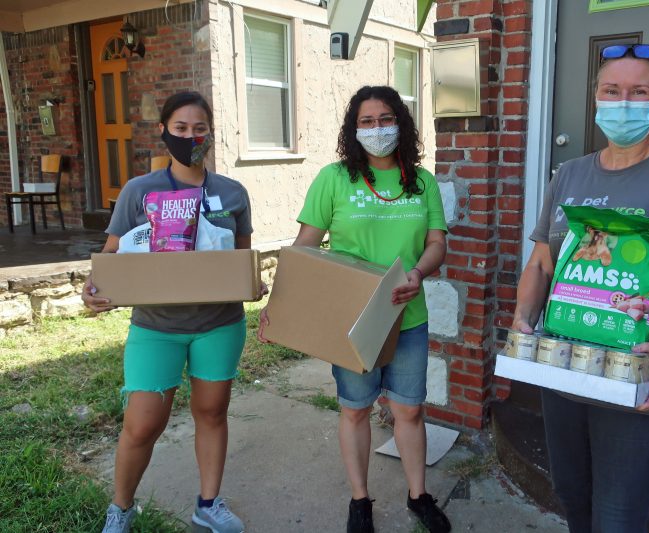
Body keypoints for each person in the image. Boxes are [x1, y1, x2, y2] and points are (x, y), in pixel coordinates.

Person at [512, 44, 649, 532]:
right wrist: (522, 320)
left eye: (639, 92)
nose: (623, 102)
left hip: (639, 379)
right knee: (572, 497)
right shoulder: (570, 174)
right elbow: (540, 263)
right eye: (612, 91)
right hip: (566, 368)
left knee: (618, 518)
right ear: (595, 96)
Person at [258, 86, 450, 533]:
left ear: (401, 123)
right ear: (353, 128)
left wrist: (419, 273)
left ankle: (418, 495)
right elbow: (304, 249)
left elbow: (437, 243)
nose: (377, 128)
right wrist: (277, 306)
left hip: (408, 318)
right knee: (355, 410)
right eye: (366, 121)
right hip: (351, 322)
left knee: (409, 411)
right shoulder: (334, 178)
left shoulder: (421, 182)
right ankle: (360, 500)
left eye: (386, 119)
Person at [83, 91, 260, 533]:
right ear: (164, 132)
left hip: (219, 325)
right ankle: (121, 509)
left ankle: (208, 503)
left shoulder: (232, 193)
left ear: (211, 134)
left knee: (213, 412)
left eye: (199, 128)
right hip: (155, 327)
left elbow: (244, 259)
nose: (190, 136)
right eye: (180, 128)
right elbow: (111, 257)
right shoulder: (139, 192)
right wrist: (94, 290)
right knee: (142, 424)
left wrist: (253, 283)